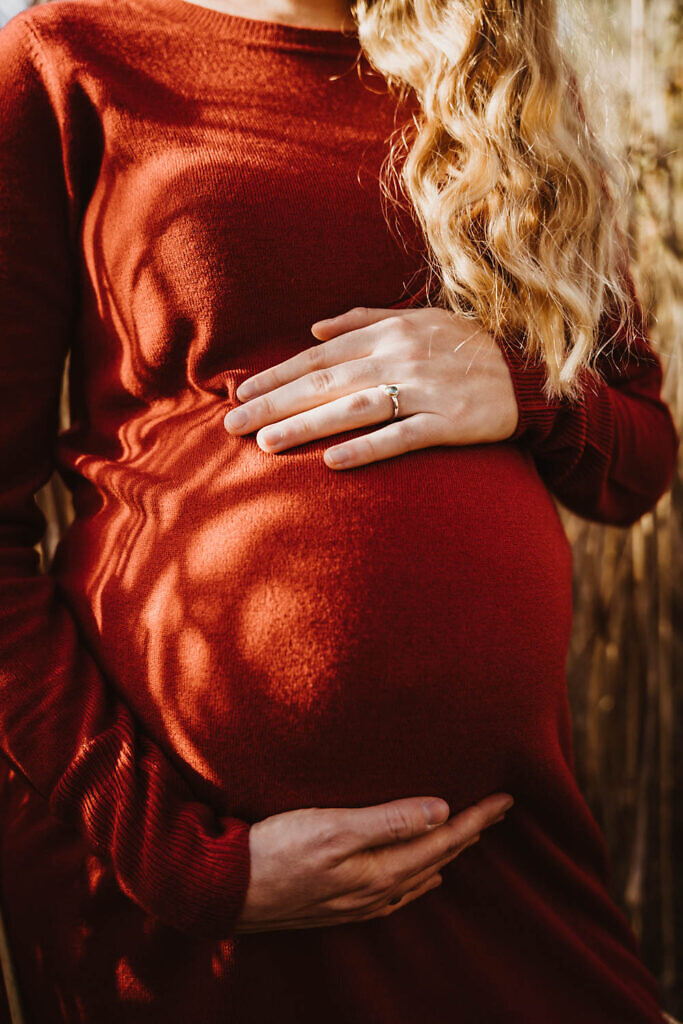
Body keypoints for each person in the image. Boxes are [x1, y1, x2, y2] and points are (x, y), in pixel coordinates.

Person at [0, 0, 679, 1020]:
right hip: (190, 889)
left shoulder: (501, 77)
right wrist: (186, 863)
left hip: (492, 864)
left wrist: (519, 383)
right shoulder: (68, 55)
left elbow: (635, 459)